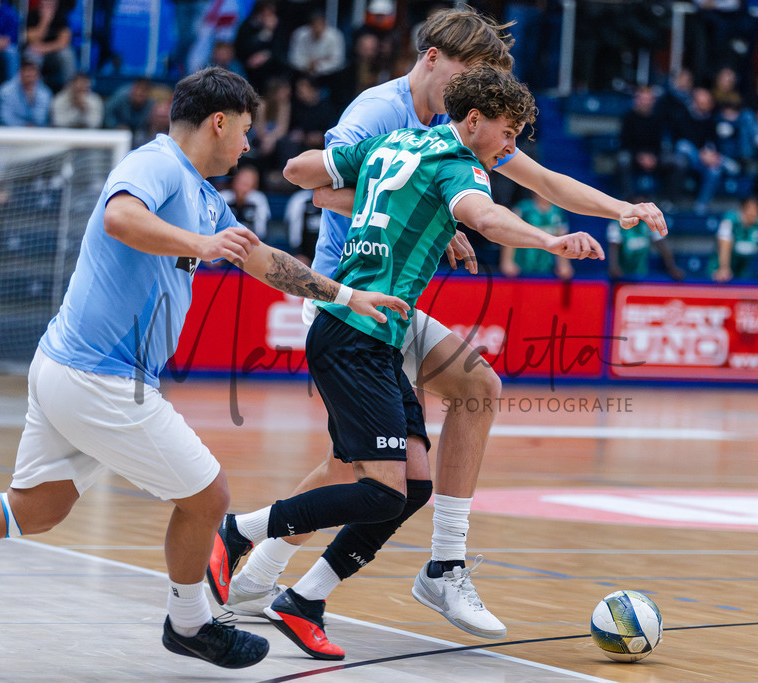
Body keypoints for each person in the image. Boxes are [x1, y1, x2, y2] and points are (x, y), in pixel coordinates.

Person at [0, 66, 407, 664]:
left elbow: (263, 261)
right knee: (209, 496)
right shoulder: (157, 164)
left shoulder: (204, 197)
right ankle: (189, 624)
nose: (248, 145)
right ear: (219, 121)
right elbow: (119, 218)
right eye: (245, 131)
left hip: (65, 369)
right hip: (98, 377)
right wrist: (200, 246)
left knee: (36, 507)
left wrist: (343, 295)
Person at [207, 6, 666, 644]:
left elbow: (542, 180)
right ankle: (261, 562)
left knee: (452, 417)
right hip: (346, 293)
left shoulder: (461, 135)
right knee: (370, 473)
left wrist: (623, 209)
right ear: (433, 60)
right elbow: (318, 191)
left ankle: (436, 564)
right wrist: (432, 212)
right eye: (467, 75)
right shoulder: (383, 113)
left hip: (389, 304)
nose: (468, 91)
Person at [500, 192, 573, 280]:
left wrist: (564, 264)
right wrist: (507, 261)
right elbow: (510, 234)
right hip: (521, 266)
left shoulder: (557, 212)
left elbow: (562, 239)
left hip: (547, 267)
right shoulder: (523, 209)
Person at [607, 195, 683, 281]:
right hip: (621, 276)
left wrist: (672, 268)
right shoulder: (616, 224)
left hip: (642, 274)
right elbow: (613, 247)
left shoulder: (649, 223)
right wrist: (614, 267)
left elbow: (663, 246)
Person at [24, 0, 77, 93]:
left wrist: (44, 48)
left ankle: (70, 91)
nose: (47, 8)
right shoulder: (32, 16)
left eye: (50, 5)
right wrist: (45, 21)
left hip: (53, 55)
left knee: (67, 54)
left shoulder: (61, 17)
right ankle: (36, 92)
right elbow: (30, 40)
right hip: (37, 53)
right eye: (44, 5)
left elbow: (63, 43)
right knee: (32, 54)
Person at [0, 59, 53, 127]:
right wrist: (23, 126)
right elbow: (5, 117)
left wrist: (31, 99)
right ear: (20, 73)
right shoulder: (5, 91)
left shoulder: (45, 93)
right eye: (27, 76)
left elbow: (41, 119)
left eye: (33, 76)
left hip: (36, 131)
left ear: (38, 76)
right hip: (12, 131)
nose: (30, 79)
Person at [218, 164, 269, 239]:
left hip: (251, 241)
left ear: (255, 185)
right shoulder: (223, 197)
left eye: (248, 180)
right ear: (234, 181)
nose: (244, 182)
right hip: (224, 239)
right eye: (242, 179)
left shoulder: (258, 199)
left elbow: (261, 230)